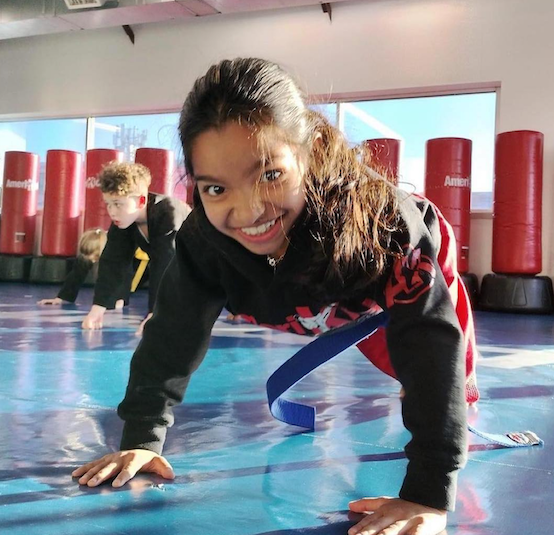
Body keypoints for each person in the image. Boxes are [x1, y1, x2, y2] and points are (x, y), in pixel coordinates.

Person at [71, 58, 479, 535]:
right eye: (217, 188)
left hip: (376, 278)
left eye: (269, 175)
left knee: (433, 375)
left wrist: (429, 493)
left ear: (312, 151)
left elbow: (432, 348)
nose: (248, 212)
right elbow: (171, 335)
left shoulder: (387, 231)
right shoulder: (204, 243)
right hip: (322, 302)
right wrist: (143, 437)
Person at [79, 162, 191, 334]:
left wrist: (156, 313)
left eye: (117, 204)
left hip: (208, 258)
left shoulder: (168, 212)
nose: (112, 211)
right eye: (108, 204)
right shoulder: (124, 221)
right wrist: (98, 308)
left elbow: (165, 264)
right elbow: (112, 262)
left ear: (141, 201)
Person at [37, 229, 126, 307]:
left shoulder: (116, 251)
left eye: (95, 257)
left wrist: (121, 298)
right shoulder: (94, 249)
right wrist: (60, 298)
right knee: (82, 263)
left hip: (135, 257)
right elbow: (76, 275)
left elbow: (124, 274)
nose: (93, 261)